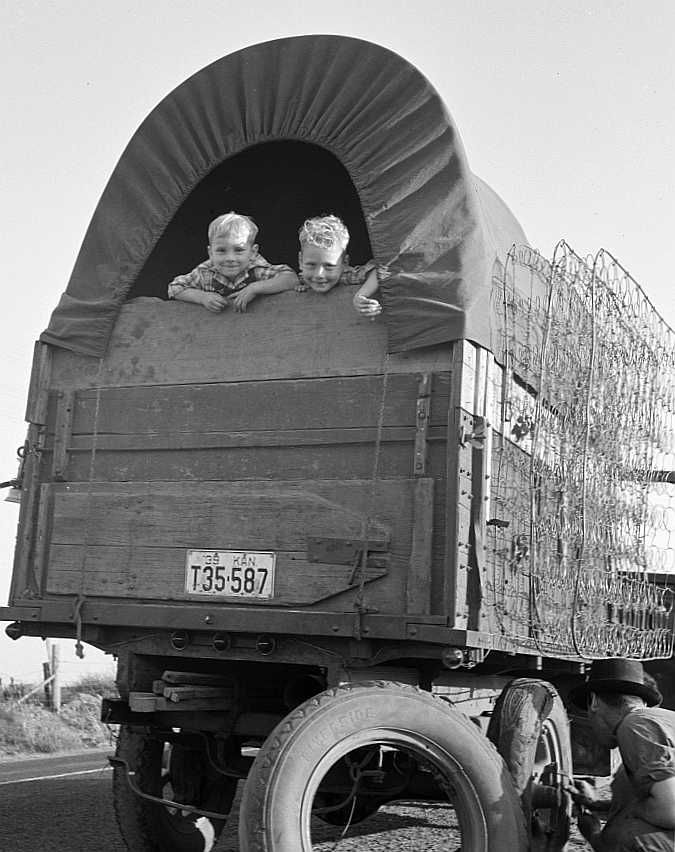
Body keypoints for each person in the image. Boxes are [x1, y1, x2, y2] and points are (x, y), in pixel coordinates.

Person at [568, 658, 675, 852]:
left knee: (625, 833)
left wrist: (595, 836)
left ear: (593, 701)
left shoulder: (635, 725)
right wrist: (597, 804)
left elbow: (670, 810)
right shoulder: (663, 720)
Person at [168, 212, 298, 312]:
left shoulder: (256, 268)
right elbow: (176, 288)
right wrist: (202, 297)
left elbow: (291, 278)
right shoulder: (205, 272)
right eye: (221, 250)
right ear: (210, 253)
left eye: (238, 250)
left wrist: (255, 288)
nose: (230, 258)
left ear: (252, 252)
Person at [297, 215, 385, 317]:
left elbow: (380, 269)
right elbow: (287, 276)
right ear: (300, 261)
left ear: (345, 263)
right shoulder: (302, 278)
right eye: (311, 265)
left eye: (329, 266)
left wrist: (361, 294)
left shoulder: (348, 276)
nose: (319, 274)